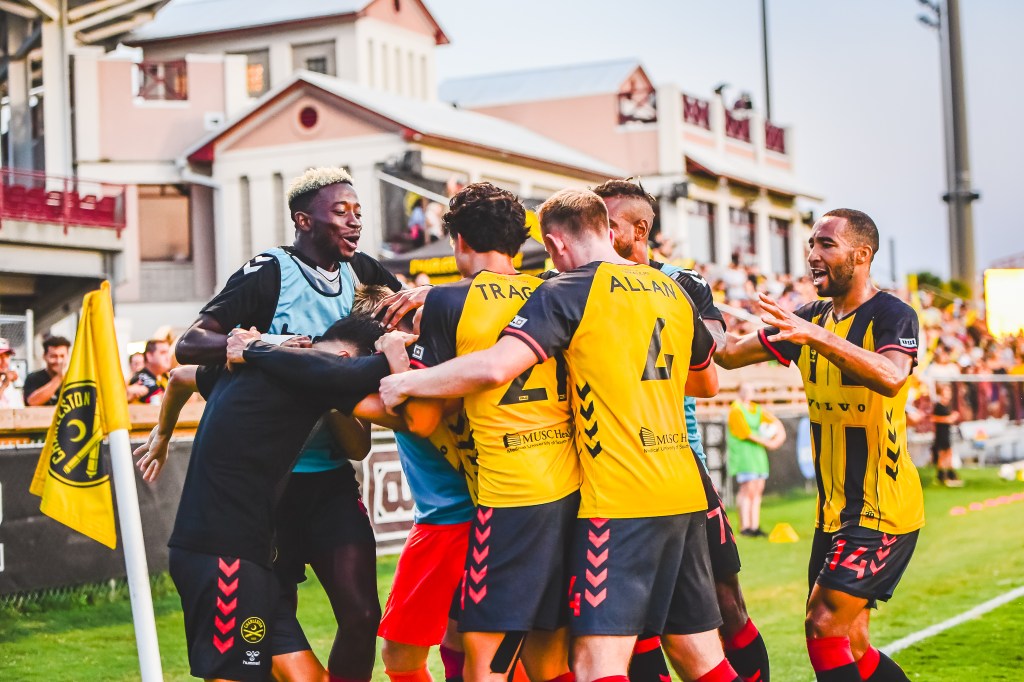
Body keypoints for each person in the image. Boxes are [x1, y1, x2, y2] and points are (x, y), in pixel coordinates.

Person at [380, 189, 741, 682]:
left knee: (592, 661)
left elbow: (495, 367)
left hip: (616, 494)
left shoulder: (568, 290)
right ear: (607, 229)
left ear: (554, 243)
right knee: (696, 651)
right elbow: (705, 383)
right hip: (682, 486)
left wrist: (404, 381)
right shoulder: (669, 288)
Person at [174, 166, 420, 682]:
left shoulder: (364, 272)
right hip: (270, 487)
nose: (355, 222)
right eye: (341, 212)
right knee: (262, 626)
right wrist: (260, 347)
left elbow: (414, 321)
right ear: (303, 220)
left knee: (363, 615)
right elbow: (190, 347)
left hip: (330, 475)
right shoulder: (270, 270)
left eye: (358, 212)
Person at [718, 208, 923, 682]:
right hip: (833, 512)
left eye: (826, 244)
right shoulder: (810, 319)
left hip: (881, 508)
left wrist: (814, 335)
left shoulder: (893, 314)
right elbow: (727, 355)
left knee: (823, 625)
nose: (813, 254)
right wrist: (690, 305)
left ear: (862, 255)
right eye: (812, 243)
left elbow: (891, 376)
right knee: (853, 641)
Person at [394, 182, 580, 682]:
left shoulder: (447, 301)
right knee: (549, 659)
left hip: (508, 496)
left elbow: (424, 420)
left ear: (457, 240)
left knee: (483, 656)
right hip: (572, 486)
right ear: (520, 240)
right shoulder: (555, 291)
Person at [153, 316, 406, 682]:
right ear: (343, 361)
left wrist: (163, 434)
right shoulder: (305, 376)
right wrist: (395, 346)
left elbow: (180, 377)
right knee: (238, 675)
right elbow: (409, 416)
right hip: (221, 551)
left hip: (248, 550)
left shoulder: (268, 367)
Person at [594, 179, 770, 682]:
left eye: (608, 224)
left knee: (725, 604)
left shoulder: (681, 282)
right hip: (612, 467)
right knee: (631, 623)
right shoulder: (580, 282)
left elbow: (717, 351)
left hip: (680, 459)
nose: (598, 234)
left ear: (640, 230)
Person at [726, 384, 784, 537]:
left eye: (750, 390)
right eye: (745, 390)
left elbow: (774, 422)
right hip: (744, 454)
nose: (748, 393)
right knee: (747, 489)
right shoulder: (736, 410)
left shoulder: (756, 409)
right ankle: (745, 526)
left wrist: (778, 436)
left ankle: (755, 525)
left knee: (758, 489)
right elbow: (746, 433)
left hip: (757, 454)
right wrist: (768, 443)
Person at [23, 336, 71, 406]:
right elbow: (32, 402)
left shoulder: (74, 378)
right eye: (53, 356)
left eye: (62, 356)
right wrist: (59, 377)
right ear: (44, 356)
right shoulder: (33, 378)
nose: (58, 361)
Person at [930, 383, 962, 487]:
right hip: (941, 433)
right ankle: (942, 475)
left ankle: (948, 474)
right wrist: (948, 419)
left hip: (946, 432)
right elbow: (933, 418)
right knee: (943, 454)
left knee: (948, 453)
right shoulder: (939, 406)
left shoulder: (947, 406)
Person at [127, 339, 172, 404]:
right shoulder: (140, 378)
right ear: (149, 356)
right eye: (163, 353)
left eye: (168, 353)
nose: (168, 357)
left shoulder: (167, 376)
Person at [0, 338, 22, 408]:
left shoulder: (10, 380)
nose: (5, 361)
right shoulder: (6, 382)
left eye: (7, 356)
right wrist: (3, 386)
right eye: (0, 356)